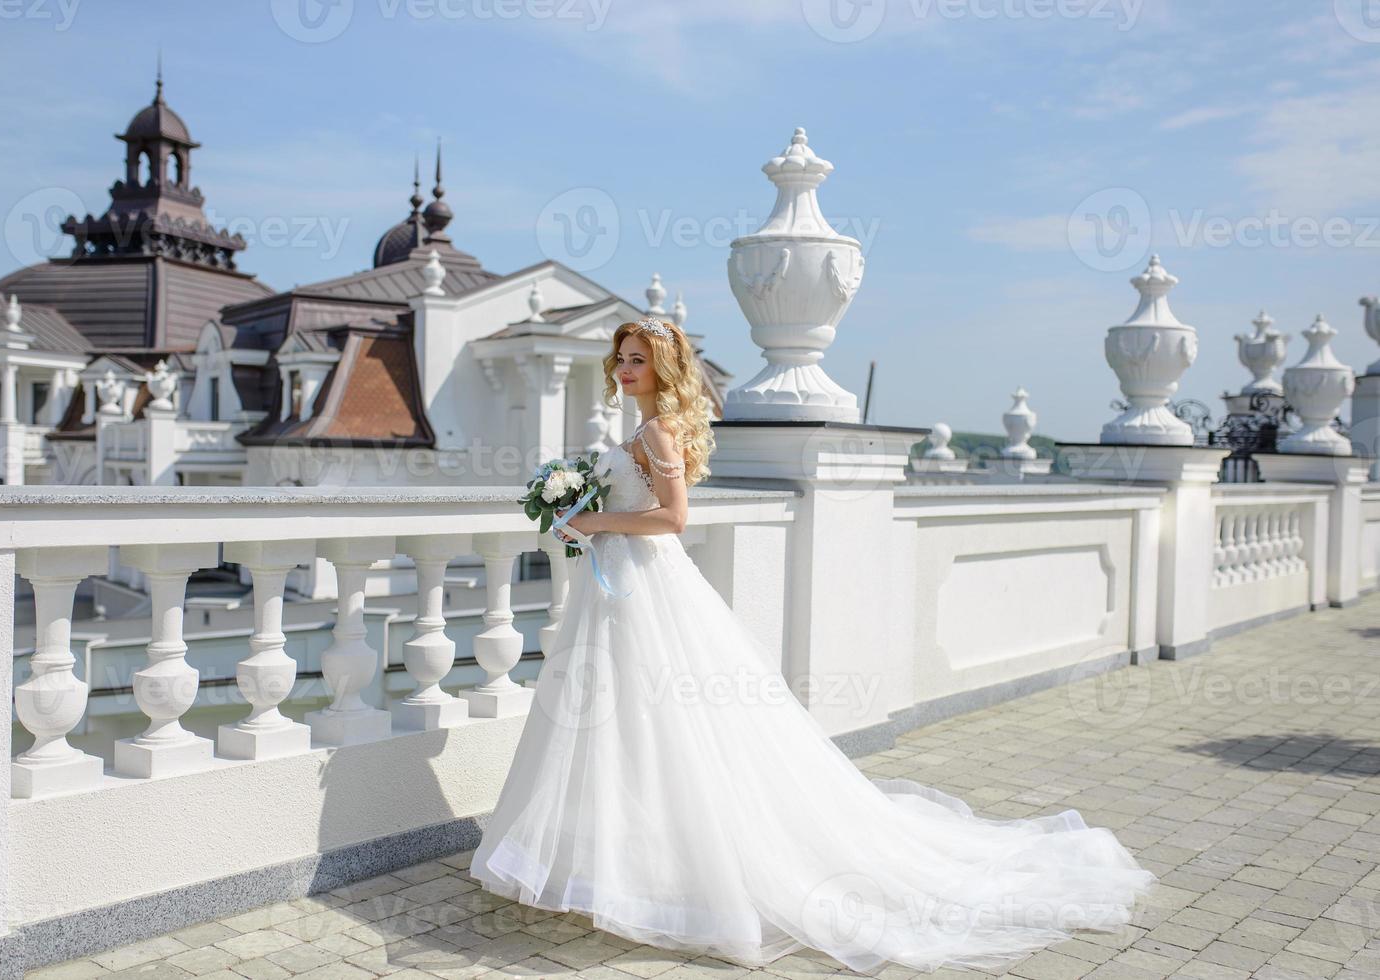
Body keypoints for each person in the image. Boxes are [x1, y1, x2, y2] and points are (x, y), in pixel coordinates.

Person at [468, 316, 1157, 974]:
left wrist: (592, 516)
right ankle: (611, 863)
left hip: (644, 584)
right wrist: (586, 520)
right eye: (620, 357)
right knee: (621, 725)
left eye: (637, 359)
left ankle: (658, 871)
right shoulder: (648, 428)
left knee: (658, 722)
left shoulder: (656, 431)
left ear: (664, 369)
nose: (624, 368)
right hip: (620, 583)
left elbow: (673, 519)